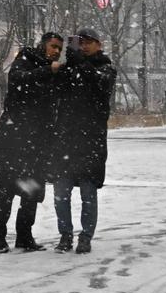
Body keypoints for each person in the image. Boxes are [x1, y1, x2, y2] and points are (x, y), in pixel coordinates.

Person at [0, 31, 63, 252]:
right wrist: (48, 71)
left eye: (59, 49)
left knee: (31, 192)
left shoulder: (53, 72)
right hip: (15, 138)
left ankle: (24, 236)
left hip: (38, 141)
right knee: (7, 189)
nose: (56, 51)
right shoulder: (26, 60)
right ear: (43, 45)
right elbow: (19, 80)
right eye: (53, 46)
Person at [47, 27, 116, 254]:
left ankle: (85, 236)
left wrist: (81, 65)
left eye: (88, 42)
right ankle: (65, 235)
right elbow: (56, 90)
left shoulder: (105, 67)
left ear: (98, 44)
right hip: (65, 140)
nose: (84, 46)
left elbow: (99, 84)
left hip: (90, 142)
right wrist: (65, 66)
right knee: (61, 194)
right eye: (81, 43)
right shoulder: (70, 67)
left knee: (88, 194)